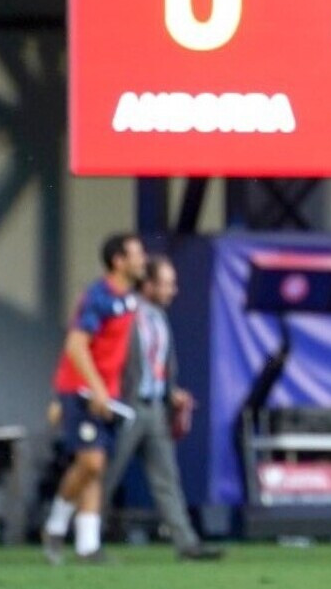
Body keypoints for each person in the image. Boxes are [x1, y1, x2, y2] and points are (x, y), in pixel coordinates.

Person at [100, 254, 222, 561]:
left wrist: (171, 393)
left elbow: (158, 363)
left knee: (167, 478)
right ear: (149, 284)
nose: (173, 290)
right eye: (167, 284)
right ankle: (85, 537)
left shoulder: (158, 317)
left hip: (154, 407)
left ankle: (187, 543)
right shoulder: (125, 313)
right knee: (105, 474)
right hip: (126, 406)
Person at [40, 232, 147, 565]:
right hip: (83, 391)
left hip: (107, 394)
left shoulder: (128, 298)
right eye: (137, 254)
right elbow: (75, 345)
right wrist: (93, 389)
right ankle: (55, 525)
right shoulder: (98, 296)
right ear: (119, 260)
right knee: (91, 462)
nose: (142, 259)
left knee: (94, 468)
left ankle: (88, 544)